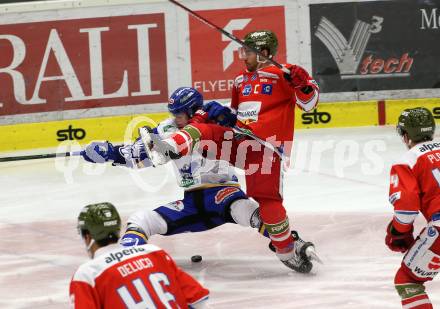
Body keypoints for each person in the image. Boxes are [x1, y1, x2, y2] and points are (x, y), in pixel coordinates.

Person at [82, 87, 314, 273]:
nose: (176, 118)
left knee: (253, 213)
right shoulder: (168, 129)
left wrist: (231, 120)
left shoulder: (217, 121)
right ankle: (124, 263)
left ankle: (292, 245)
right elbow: (140, 155)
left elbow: (252, 136)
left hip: (226, 195)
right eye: (174, 113)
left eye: (180, 113)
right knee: (141, 219)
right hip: (191, 203)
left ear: (194, 110)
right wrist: (109, 152)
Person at [141, 30, 320, 271]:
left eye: (247, 51)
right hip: (238, 140)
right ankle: (170, 147)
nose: (243, 56)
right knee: (203, 126)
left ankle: (287, 250)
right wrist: (225, 117)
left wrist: (303, 83)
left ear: (263, 52)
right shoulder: (239, 81)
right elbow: (235, 115)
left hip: (265, 148)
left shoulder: (285, 75)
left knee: (266, 200)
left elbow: (309, 104)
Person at [69, 202, 209, 309]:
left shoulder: (87, 274)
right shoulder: (153, 252)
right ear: (118, 231)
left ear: (87, 237)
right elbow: (198, 299)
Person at [385, 107, 440, 309]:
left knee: (408, 280)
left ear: (406, 136)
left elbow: (406, 208)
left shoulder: (407, 161)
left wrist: (399, 232)